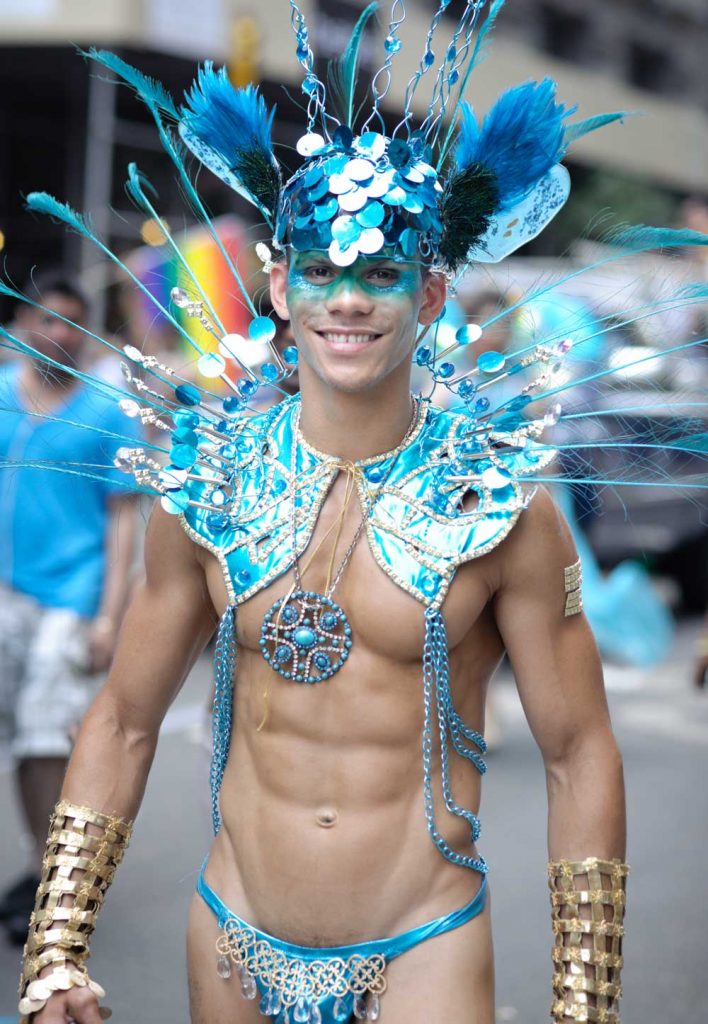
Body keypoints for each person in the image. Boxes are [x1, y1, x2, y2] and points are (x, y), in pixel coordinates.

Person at [20, 4, 708, 1020]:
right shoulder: (207, 485)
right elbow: (122, 719)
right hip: (232, 933)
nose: (349, 301)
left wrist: (585, 997)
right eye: (324, 272)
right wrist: (56, 947)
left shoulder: (500, 505)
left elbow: (577, 749)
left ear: (429, 295)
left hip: (422, 945)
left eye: (381, 274)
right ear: (279, 284)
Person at [0, 271, 140, 946]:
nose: (58, 334)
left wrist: (109, 617)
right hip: (5, 593)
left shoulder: (108, 411)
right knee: (15, 737)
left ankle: (45, 874)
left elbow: (122, 524)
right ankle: (35, 863)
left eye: (72, 323)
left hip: (71, 597)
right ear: (25, 325)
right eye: (47, 320)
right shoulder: (1, 396)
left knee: (41, 734)